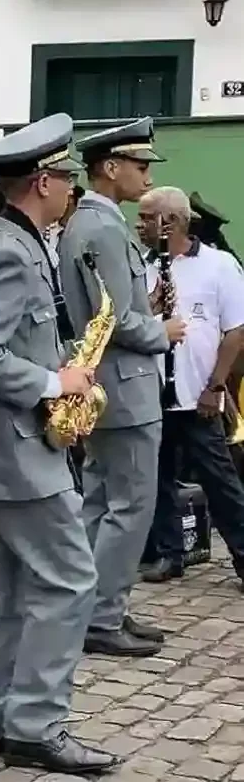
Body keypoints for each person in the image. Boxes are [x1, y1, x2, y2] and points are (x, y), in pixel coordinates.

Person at [0, 113, 118, 775]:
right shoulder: (6, 250)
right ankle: (36, 723)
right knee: (71, 580)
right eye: (68, 178)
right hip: (17, 452)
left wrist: (60, 359)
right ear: (42, 180)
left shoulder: (0, 242)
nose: (73, 190)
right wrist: (56, 377)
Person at [58, 117, 184, 659]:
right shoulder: (104, 227)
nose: (145, 176)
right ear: (110, 168)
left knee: (99, 501)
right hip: (124, 386)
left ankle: (89, 606)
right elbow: (115, 321)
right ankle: (102, 614)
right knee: (130, 505)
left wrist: (142, 313)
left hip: (104, 383)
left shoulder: (89, 222)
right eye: (139, 165)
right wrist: (162, 330)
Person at [134, 187, 244, 590]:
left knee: (220, 479)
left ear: (172, 222)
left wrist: (215, 386)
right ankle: (168, 553)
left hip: (199, 395)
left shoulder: (218, 265)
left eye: (147, 218)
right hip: (152, 393)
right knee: (158, 479)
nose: (139, 224)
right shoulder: (140, 266)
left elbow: (236, 331)